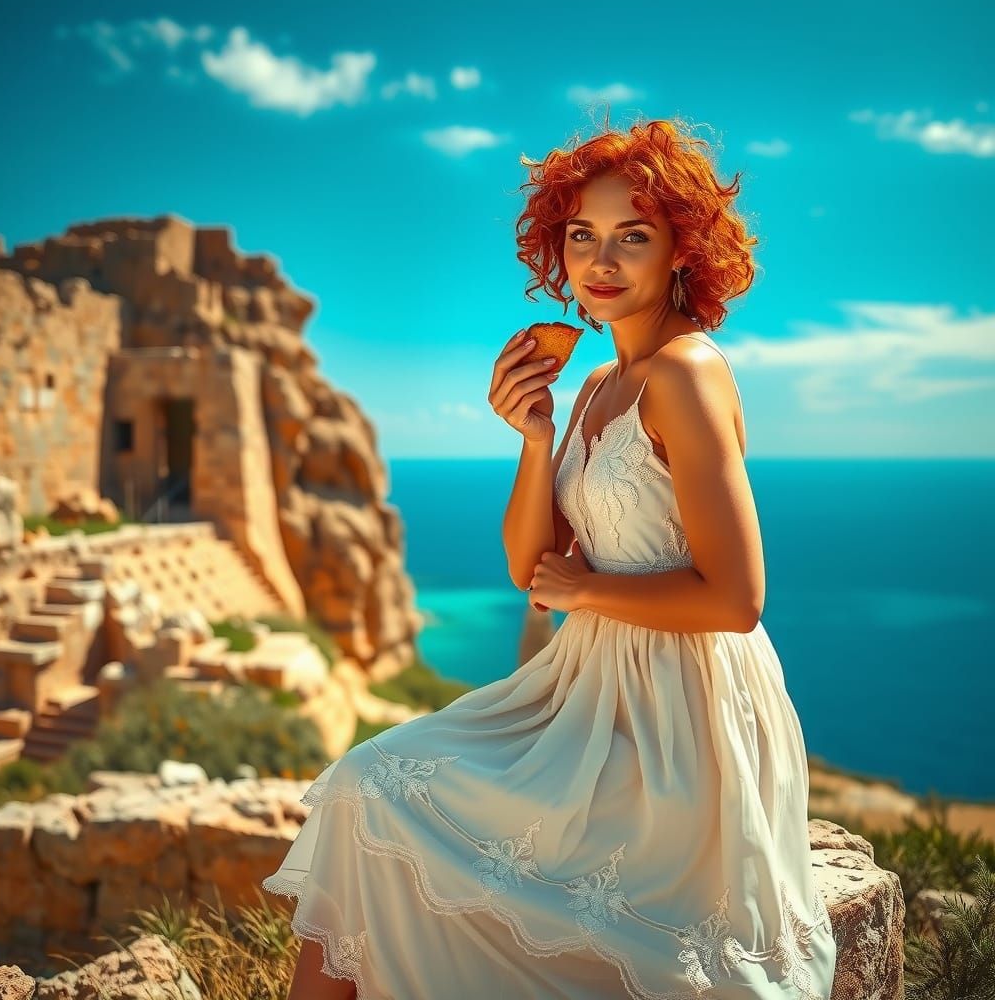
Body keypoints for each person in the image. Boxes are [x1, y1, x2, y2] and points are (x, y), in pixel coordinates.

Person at [261, 116, 838, 999]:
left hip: (681, 720)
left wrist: (591, 589)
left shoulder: (688, 374)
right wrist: (533, 439)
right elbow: (533, 569)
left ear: (681, 249)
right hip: (587, 690)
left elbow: (737, 598)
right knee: (364, 783)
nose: (601, 261)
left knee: (380, 793)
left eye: (631, 237)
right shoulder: (599, 386)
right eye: (582, 237)